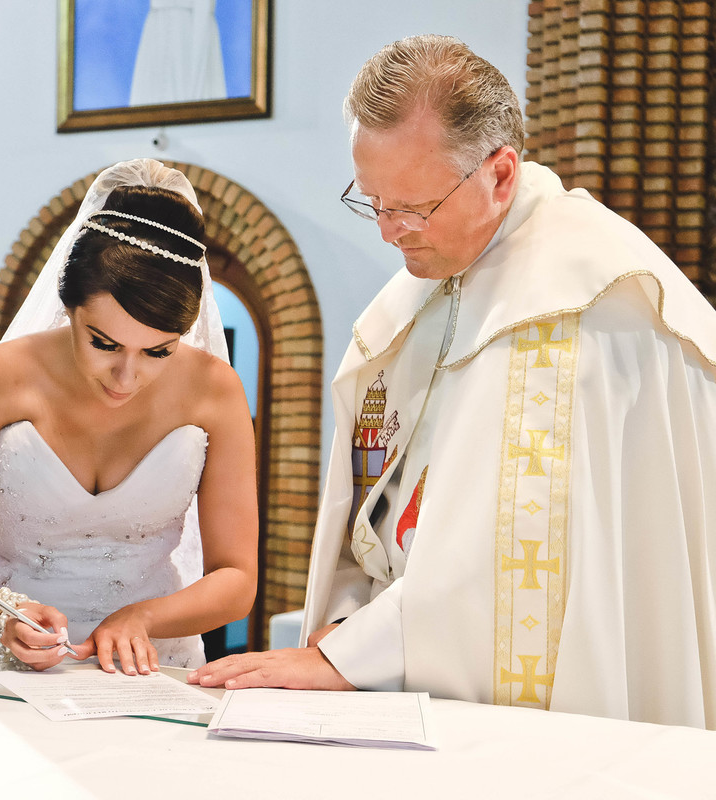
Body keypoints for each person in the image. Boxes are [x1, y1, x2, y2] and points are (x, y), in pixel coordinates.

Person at [190, 34, 716, 730]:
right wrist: (347, 618)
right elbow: (379, 494)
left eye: (412, 207)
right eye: (372, 201)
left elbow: (513, 556)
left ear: (500, 174)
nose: (388, 232)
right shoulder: (430, 284)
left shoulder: (578, 313)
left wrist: (351, 657)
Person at [0, 159, 258, 676]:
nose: (126, 376)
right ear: (69, 305)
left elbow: (236, 579)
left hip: (149, 661)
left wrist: (143, 616)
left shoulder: (215, 391)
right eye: (104, 343)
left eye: (158, 352)